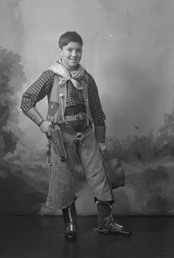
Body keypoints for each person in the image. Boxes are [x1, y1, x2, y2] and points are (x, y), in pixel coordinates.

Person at [21, 31, 131, 241]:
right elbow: (26, 100)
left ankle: (106, 223)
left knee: (100, 176)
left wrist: (101, 140)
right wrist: (41, 123)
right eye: (69, 49)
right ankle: (70, 225)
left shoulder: (87, 78)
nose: (74, 54)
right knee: (64, 178)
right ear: (60, 50)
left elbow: (97, 111)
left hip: (87, 132)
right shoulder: (49, 75)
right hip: (61, 134)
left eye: (78, 50)